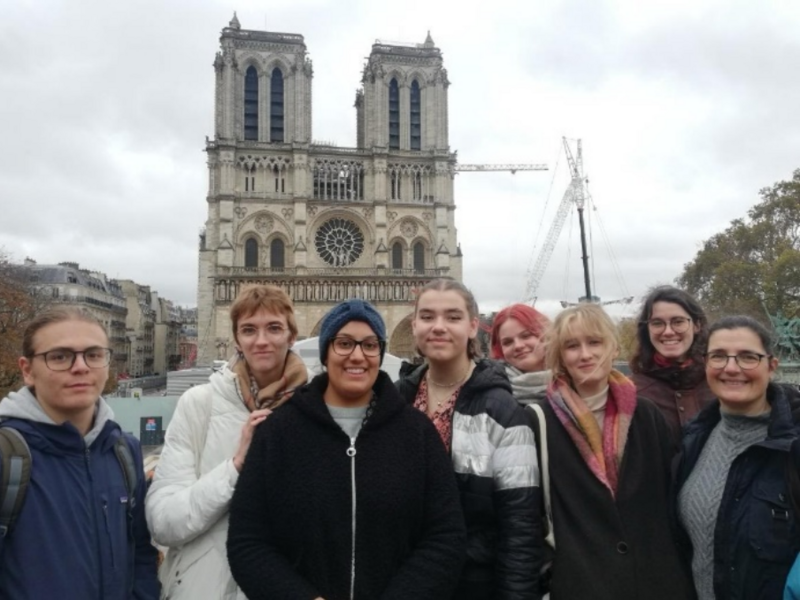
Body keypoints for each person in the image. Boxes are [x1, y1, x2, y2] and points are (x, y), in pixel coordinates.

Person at [227, 299, 466, 599]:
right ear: (325, 353)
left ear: (380, 354)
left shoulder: (418, 433)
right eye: (343, 343)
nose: (357, 356)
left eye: (369, 345)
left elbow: (446, 536)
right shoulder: (277, 433)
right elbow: (247, 541)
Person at [146, 284, 308, 599]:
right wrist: (234, 467)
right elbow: (163, 523)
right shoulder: (198, 405)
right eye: (249, 330)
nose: (261, 340)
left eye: (274, 328)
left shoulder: (318, 409)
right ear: (236, 339)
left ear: (292, 336)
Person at [533, 303, 693, 599]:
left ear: (613, 348)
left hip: (656, 581)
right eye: (572, 346)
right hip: (581, 583)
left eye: (595, 342)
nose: (585, 354)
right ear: (559, 356)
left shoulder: (647, 415)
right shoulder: (537, 421)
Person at [0, 306, 159, 599]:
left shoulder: (124, 451)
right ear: (27, 370)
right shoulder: (7, 456)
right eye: (60, 356)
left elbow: (140, 554)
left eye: (94, 354)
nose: (81, 366)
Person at [396, 278, 541, 599]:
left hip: (474, 584)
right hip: (404, 580)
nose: (438, 326)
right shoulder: (396, 400)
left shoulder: (500, 408)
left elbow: (520, 523)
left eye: (453, 317)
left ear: (474, 326)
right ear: (414, 324)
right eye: (428, 316)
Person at [676, 316, 800, 600]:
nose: (731, 368)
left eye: (748, 357)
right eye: (719, 356)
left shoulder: (794, 445)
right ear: (706, 364)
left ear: (772, 366)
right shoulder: (693, 439)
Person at [630, 286, 715, 444]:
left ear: (697, 325)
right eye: (657, 323)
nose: (668, 331)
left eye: (678, 322)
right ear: (647, 329)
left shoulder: (719, 380)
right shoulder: (632, 391)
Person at [490, 303, 551, 404]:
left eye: (526, 336)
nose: (518, 346)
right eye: (508, 342)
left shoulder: (576, 379)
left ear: (545, 334)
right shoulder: (492, 394)